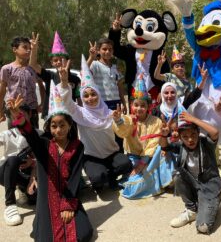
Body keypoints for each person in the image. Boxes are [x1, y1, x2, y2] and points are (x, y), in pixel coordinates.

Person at [8, 90, 93, 241]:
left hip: (68, 194)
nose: (58, 130)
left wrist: (67, 204)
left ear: (69, 125)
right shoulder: (44, 143)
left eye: (62, 125)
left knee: (83, 233)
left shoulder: (77, 146)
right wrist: (19, 117)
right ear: (49, 127)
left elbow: (74, 176)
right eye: (54, 126)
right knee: (46, 238)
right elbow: (30, 134)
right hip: (46, 197)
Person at [58, 56, 132, 192]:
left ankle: (110, 176)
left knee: (126, 164)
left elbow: (124, 132)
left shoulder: (110, 112)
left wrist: (118, 120)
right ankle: (103, 176)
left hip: (112, 153)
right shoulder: (79, 113)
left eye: (93, 94)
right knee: (98, 180)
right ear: (81, 97)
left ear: (99, 94)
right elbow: (66, 101)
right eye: (85, 95)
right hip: (92, 156)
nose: (90, 98)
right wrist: (64, 81)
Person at [112, 74, 174, 199]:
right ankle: (156, 183)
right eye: (136, 105)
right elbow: (123, 131)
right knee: (132, 187)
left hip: (149, 158)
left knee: (162, 153)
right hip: (134, 158)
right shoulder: (129, 119)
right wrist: (119, 121)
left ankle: (166, 180)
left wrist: (143, 163)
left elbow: (153, 144)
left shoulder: (156, 121)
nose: (139, 108)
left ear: (149, 107)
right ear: (131, 105)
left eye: (143, 105)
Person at [161, 110, 221, 234]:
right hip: (193, 185)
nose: (190, 139)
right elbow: (164, 146)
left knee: (203, 227)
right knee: (177, 174)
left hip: (208, 187)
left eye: (193, 135)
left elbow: (215, 132)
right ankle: (191, 209)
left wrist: (193, 119)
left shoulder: (206, 144)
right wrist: (163, 135)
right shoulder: (181, 146)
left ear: (198, 133)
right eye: (185, 136)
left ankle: (211, 202)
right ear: (180, 138)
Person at [29, 31, 81, 120]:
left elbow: (78, 98)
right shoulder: (49, 76)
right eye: (55, 60)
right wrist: (34, 49)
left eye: (61, 59)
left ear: (68, 61)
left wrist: (81, 114)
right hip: (51, 114)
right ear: (52, 63)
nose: (59, 62)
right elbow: (33, 64)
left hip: (70, 115)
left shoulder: (75, 79)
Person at [0, 104, 37, 226]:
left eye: (21, 114)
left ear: (30, 114)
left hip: (31, 176)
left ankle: (22, 189)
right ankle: (10, 204)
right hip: (7, 171)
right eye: (14, 115)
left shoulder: (39, 134)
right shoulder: (7, 134)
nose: (18, 117)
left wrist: (33, 162)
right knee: (12, 159)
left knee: (34, 198)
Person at [87, 38, 126, 151]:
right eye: (104, 49)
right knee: (105, 132)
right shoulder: (94, 64)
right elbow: (84, 71)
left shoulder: (115, 68)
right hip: (102, 104)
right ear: (99, 51)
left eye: (110, 49)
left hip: (116, 104)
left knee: (118, 131)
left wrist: (123, 103)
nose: (107, 52)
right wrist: (91, 57)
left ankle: (119, 155)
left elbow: (120, 86)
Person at [0, 34, 44, 128]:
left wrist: (42, 103)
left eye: (29, 48)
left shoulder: (34, 69)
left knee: (33, 138)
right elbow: (2, 90)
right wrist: (0, 110)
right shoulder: (7, 69)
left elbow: (41, 86)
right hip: (13, 110)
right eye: (24, 47)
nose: (28, 50)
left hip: (32, 110)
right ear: (15, 49)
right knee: (15, 138)